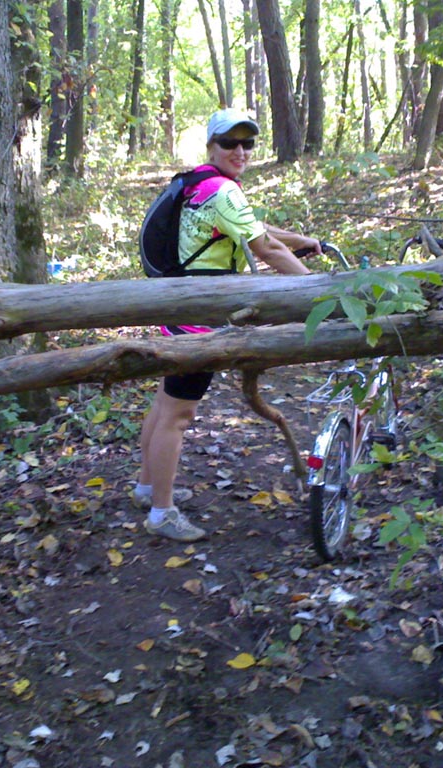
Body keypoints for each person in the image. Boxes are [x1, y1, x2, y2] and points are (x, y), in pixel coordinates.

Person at [134, 108, 322, 542]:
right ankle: (162, 513)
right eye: (229, 143)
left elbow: (257, 229)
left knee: (164, 406)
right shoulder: (222, 190)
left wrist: (303, 241)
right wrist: (320, 293)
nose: (240, 151)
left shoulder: (202, 184)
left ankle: (147, 488)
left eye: (247, 143)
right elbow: (267, 248)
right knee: (178, 415)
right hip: (199, 320)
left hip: (180, 308)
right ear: (211, 146)